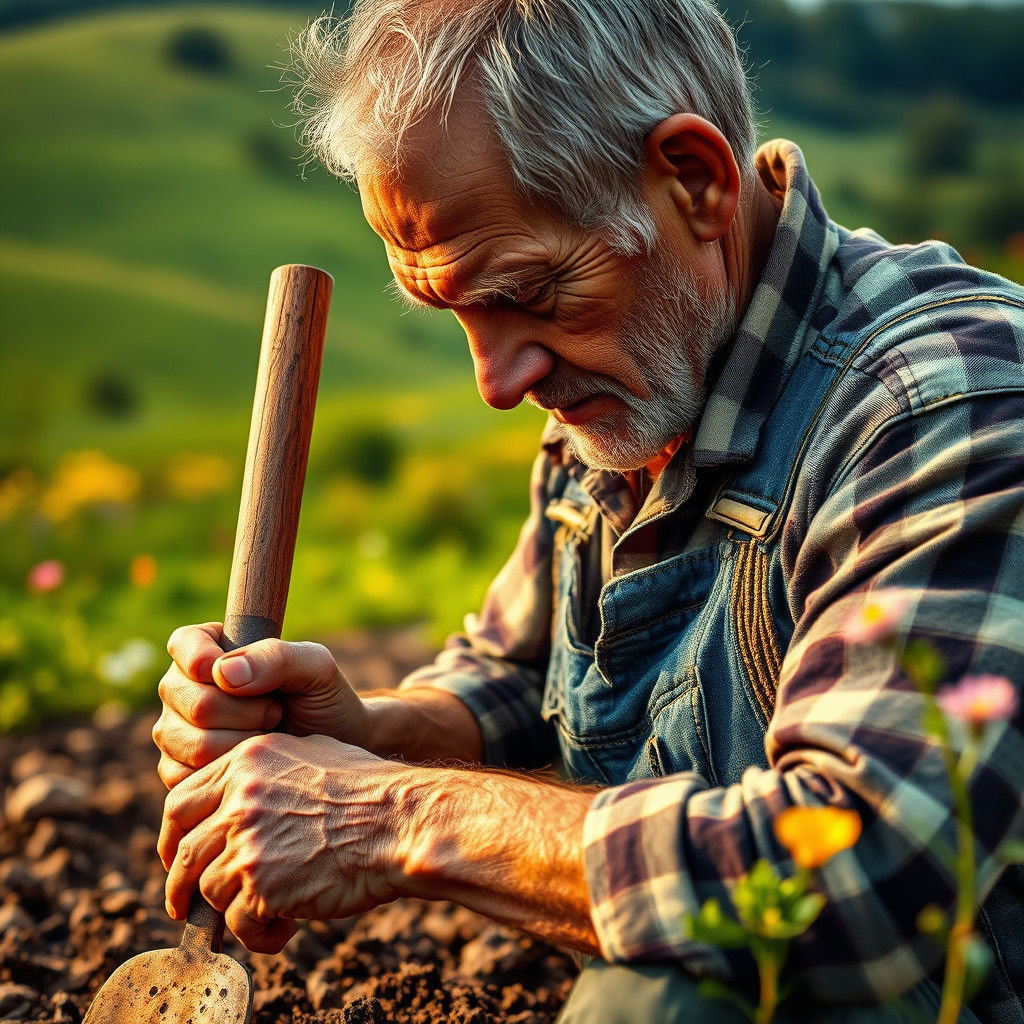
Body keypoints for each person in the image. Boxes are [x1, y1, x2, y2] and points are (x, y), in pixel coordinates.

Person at [151, 1, 1024, 1020]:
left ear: (692, 181)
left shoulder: (940, 408)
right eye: (455, 312)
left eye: (528, 292)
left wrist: (380, 816)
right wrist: (366, 736)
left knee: (655, 1003)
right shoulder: (639, 373)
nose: (497, 380)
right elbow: (519, 676)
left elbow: (860, 868)